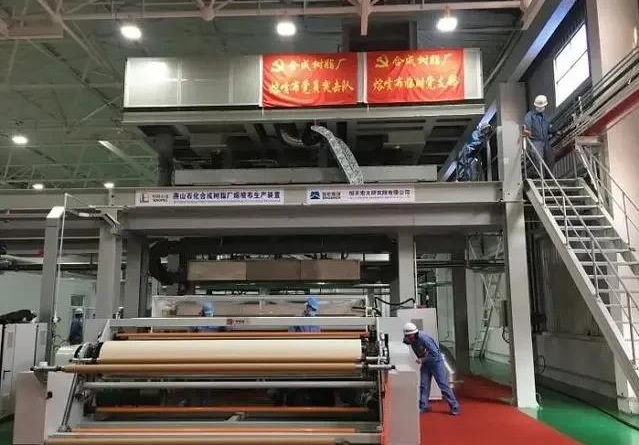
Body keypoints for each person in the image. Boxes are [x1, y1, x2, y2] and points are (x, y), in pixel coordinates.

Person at [403, 322, 459, 415]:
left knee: (443, 386)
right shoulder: (411, 339)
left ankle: (454, 407)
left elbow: (435, 354)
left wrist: (422, 359)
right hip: (426, 364)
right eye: (407, 336)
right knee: (424, 386)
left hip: (436, 363)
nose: (409, 338)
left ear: (414, 333)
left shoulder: (424, 339)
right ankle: (423, 406)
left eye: (410, 336)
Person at [523, 94, 555, 171]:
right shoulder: (530, 115)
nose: (542, 108)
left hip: (545, 141)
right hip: (536, 142)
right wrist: (527, 130)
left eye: (543, 106)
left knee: (551, 159)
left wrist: (555, 131)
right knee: (539, 160)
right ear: (536, 106)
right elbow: (527, 126)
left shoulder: (545, 116)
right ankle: (541, 176)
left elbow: (549, 128)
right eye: (540, 107)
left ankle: (548, 177)